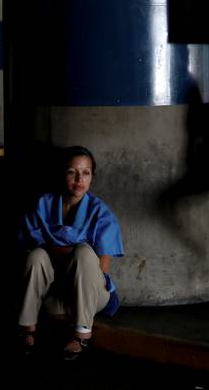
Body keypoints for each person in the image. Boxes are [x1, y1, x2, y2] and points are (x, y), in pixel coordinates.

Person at [17, 146, 124, 360]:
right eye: (71, 172)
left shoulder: (101, 214)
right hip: (52, 296)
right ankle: (27, 329)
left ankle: (82, 335)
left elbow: (101, 271)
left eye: (85, 173)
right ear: (62, 174)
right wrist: (64, 252)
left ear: (92, 177)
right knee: (36, 255)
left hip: (89, 296)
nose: (79, 179)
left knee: (84, 252)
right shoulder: (43, 204)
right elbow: (29, 249)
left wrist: (64, 252)